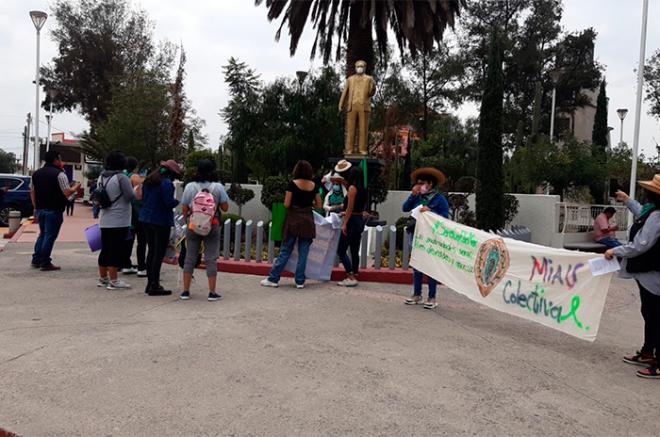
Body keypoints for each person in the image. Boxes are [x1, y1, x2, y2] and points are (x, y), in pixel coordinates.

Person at [604, 175, 660, 379]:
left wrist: (616, 251)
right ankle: (648, 351)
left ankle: (658, 361)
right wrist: (628, 200)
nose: (645, 192)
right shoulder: (652, 211)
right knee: (649, 313)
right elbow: (641, 213)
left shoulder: (657, 215)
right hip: (648, 274)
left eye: (648, 189)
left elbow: (641, 245)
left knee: (655, 316)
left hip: (653, 275)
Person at [261, 160, 322, 289]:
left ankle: (273, 278)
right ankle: (300, 281)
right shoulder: (314, 185)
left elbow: (287, 204)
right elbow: (319, 205)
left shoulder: (292, 184)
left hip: (294, 219)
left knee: (286, 250)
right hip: (307, 220)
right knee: (304, 252)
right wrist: (308, 205)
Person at [180, 159, 230, 301]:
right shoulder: (218, 187)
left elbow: (184, 208)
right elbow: (225, 208)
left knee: (190, 257)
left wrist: (188, 221)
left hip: (193, 225)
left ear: (197, 170)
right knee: (211, 258)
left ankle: (185, 291)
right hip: (212, 225)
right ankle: (212, 292)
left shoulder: (190, 186)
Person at [402, 167, 449, 309]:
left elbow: (445, 217)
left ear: (431, 184)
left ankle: (432, 297)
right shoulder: (417, 197)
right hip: (415, 234)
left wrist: (431, 211)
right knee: (417, 265)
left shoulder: (439, 199)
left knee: (430, 266)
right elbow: (405, 208)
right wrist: (412, 195)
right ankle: (417, 294)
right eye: (419, 183)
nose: (421, 186)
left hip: (431, 237)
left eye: (424, 183)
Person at [30, 150, 81, 271]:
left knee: (42, 234)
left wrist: (35, 207)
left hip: (40, 209)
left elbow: (32, 191)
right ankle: (45, 262)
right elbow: (67, 192)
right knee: (50, 236)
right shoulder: (60, 174)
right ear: (55, 160)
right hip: (54, 209)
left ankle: (36, 260)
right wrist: (76, 187)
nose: (61, 161)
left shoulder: (36, 174)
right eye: (60, 159)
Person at [139, 160, 181, 296]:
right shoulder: (167, 183)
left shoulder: (148, 181)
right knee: (159, 253)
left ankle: (150, 283)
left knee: (151, 251)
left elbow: (143, 198)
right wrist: (177, 201)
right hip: (161, 221)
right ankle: (154, 285)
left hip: (146, 219)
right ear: (171, 173)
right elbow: (169, 203)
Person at [96, 151, 136, 290]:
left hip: (105, 218)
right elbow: (130, 196)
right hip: (119, 219)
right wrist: (136, 189)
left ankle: (103, 278)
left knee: (105, 249)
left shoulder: (101, 176)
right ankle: (114, 280)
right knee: (115, 250)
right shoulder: (121, 177)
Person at [335, 160, 368, 287]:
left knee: (341, 249)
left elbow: (350, 208)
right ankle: (356, 272)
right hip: (359, 220)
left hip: (352, 221)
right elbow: (358, 208)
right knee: (354, 249)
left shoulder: (352, 189)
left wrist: (345, 223)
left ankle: (350, 275)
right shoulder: (364, 189)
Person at [120, 157, 146, 276]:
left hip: (126, 212)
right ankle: (141, 267)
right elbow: (139, 195)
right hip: (137, 211)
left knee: (128, 240)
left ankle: (126, 264)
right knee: (141, 240)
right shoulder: (135, 177)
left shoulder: (122, 175)